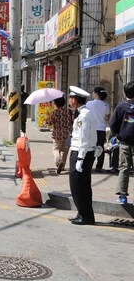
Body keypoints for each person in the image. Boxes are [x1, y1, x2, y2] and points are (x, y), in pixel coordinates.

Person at [67, 85, 96, 225]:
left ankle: (85, 216)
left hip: (81, 153)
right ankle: (83, 213)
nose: (69, 100)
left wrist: (80, 158)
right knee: (82, 186)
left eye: (71, 98)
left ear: (76, 100)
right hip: (83, 153)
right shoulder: (85, 114)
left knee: (78, 186)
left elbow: (84, 139)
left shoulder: (83, 117)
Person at [109, 80, 134, 204]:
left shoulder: (120, 106)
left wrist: (118, 134)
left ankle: (122, 196)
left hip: (124, 142)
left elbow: (113, 124)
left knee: (124, 167)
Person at [43, 96, 73, 174]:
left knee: (56, 149)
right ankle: (62, 167)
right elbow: (71, 122)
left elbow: (48, 123)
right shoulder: (68, 112)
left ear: (55, 104)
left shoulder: (55, 112)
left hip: (57, 135)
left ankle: (59, 161)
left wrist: (47, 117)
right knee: (65, 151)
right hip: (67, 134)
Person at [86, 86, 110, 172]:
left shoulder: (89, 104)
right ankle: (99, 166)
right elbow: (107, 117)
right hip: (101, 129)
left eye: (93, 92)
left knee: (91, 147)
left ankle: (89, 164)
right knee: (100, 148)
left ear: (96, 94)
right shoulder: (106, 105)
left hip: (91, 129)